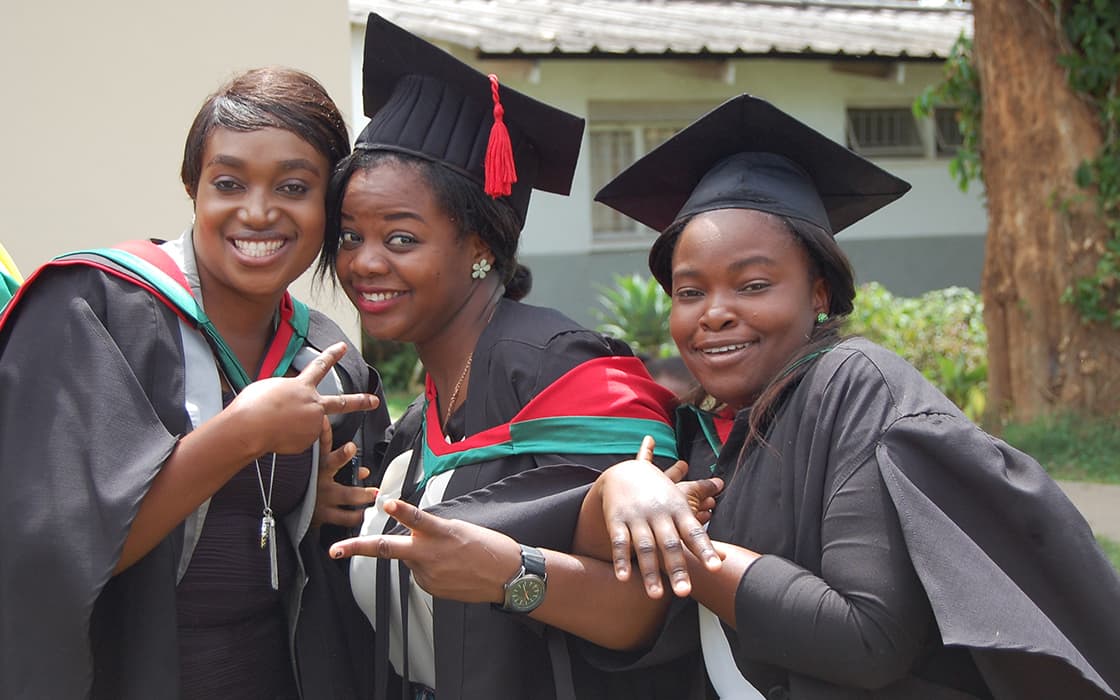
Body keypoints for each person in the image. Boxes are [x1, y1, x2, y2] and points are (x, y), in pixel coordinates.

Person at [574, 93, 1120, 699]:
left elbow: (868, 640)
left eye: (753, 284)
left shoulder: (854, 385)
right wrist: (621, 483)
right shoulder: (699, 429)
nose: (715, 314)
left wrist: (680, 544)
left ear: (821, 294)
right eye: (689, 292)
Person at [319, 14, 688, 700]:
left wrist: (512, 573)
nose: (363, 262)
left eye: (401, 239)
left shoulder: (559, 371)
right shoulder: (426, 406)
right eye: (348, 235)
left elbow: (653, 604)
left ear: (482, 245)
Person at [0, 68, 390, 699]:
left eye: (294, 187)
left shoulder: (325, 356)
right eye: (228, 183)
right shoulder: (91, 312)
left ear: (329, 206)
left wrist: (300, 514)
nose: (258, 211)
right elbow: (47, 559)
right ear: (193, 188)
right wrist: (241, 435)